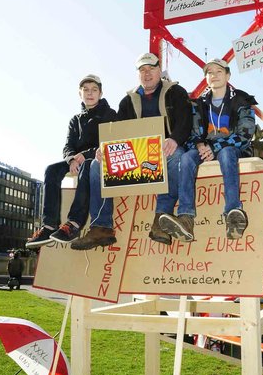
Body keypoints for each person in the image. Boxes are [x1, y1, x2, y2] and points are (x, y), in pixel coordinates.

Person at [71, 52, 192, 250]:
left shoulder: (176, 92)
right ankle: (101, 227)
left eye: (151, 69)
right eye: (142, 70)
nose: (147, 74)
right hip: (137, 154)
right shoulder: (127, 101)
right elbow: (119, 130)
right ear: (138, 74)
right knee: (95, 165)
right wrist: (105, 148)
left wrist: (175, 139)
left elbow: (185, 121)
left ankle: (161, 220)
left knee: (177, 156)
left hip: (165, 149)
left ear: (159, 70)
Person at [158, 58, 256, 242]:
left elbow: (245, 134)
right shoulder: (199, 104)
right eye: (210, 72)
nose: (214, 76)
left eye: (219, 71)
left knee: (226, 154)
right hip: (206, 149)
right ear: (206, 78)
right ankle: (186, 218)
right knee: (186, 158)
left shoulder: (241, 100)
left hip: (232, 148)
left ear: (228, 75)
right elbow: (193, 133)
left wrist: (215, 146)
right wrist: (200, 145)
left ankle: (233, 213)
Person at [26, 75, 116, 248]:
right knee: (51, 170)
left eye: (94, 90)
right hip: (76, 160)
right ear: (80, 94)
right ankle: (49, 225)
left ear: (101, 93)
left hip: (96, 159)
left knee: (87, 167)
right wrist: (71, 159)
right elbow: (68, 146)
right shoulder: (75, 120)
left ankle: (74, 223)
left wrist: (85, 154)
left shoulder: (109, 114)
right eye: (86, 90)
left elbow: (111, 141)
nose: (90, 93)